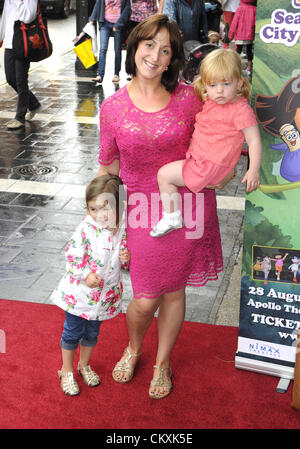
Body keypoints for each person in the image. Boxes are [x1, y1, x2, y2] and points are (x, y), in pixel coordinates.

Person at [97, 14, 235, 399]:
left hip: (187, 208)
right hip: (141, 211)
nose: (155, 56)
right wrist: (107, 223)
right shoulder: (112, 108)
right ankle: (134, 346)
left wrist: (227, 168)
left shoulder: (190, 98)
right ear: (134, 47)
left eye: (166, 50)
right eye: (149, 46)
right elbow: (108, 166)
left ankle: (162, 362)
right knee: (144, 299)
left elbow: (227, 123)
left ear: (173, 59)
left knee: (173, 291)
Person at [150, 48, 262, 238]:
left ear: (239, 82)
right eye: (212, 85)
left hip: (208, 165)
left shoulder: (240, 110)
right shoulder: (212, 100)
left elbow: (254, 140)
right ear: (205, 85)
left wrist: (253, 170)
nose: (219, 90)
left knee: (164, 175)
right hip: (206, 162)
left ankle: (172, 216)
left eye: (226, 84)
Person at [51, 175, 130, 396]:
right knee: (72, 332)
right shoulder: (86, 227)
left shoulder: (123, 226)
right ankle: (66, 369)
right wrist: (85, 274)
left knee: (93, 333)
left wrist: (126, 257)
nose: (98, 215)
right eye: (93, 209)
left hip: (104, 296)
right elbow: (72, 257)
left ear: (119, 205)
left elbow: (124, 257)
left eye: (104, 209)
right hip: (81, 294)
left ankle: (84, 364)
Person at [0, 0, 41, 130]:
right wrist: (0, 37)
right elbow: (5, 17)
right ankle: (33, 104)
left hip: (23, 43)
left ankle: (20, 117)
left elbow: (28, 17)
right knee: (10, 78)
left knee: (21, 81)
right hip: (10, 44)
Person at [89, 0, 131, 84]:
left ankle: (116, 74)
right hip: (105, 24)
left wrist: (118, 24)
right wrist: (92, 18)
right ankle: (100, 75)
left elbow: (128, 9)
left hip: (117, 24)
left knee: (117, 50)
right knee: (103, 49)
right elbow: (98, 4)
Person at [228, 0, 257, 76]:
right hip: (250, 34)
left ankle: (234, 67)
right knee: (249, 51)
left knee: (238, 51)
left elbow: (234, 22)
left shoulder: (240, 8)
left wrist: (230, 34)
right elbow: (255, 23)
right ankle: (249, 67)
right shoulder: (255, 9)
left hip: (240, 34)